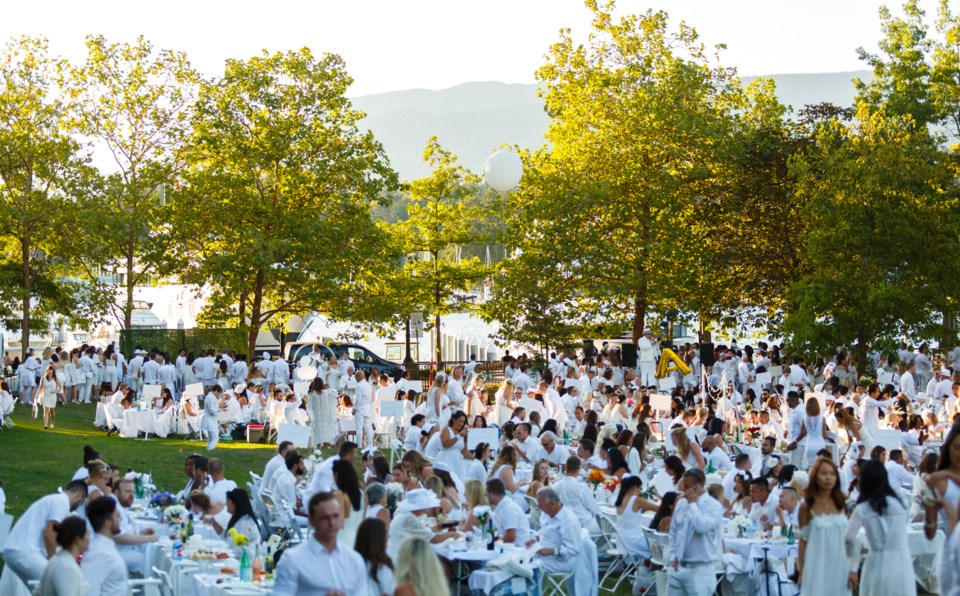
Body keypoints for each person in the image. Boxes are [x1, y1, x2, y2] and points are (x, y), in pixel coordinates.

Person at [273, 492, 367, 595]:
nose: (332, 523)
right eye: (325, 518)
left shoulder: (354, 560)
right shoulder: (292, 559)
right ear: (312, 521)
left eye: (335, 516)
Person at [843, 460, 915, 596]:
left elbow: (849, 538)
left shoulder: (863, 508)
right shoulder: (901, 503)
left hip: (877, 560)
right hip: (902, 560)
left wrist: (853, 566)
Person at [2, 480, 86, 586]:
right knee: (59, 582)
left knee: (40, 591)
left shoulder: (53, 499)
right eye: (81, 503)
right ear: (79, 496)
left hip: (13, 550)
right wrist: (55, 563)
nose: (79, 506)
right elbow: (49, 534)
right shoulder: (62, 502)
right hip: (25, 551)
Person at [797, 458, 854, 595]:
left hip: (841, 563)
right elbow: (803, 542)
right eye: (823, 473)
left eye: (832, 474)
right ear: (815, 477)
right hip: (817, 563)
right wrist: (801, 572)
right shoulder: (806, 507)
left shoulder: (845, 503)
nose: (828, 477)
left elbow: (851, 538)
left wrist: (853, 569)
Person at [667, 469, 724, 596]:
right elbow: (674, 532)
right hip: (678, 567)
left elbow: (702, 527)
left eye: (687, 486)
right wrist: (674, 556)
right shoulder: (681, 503)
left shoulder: (713, 506)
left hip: (700, 569)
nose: (683, 489)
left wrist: (693, 505)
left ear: (697, 486)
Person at [386, 489, 458, 560]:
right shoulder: (410, 518)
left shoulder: (404, 515)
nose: (427, 509)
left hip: (395, 553)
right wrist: (451, 534)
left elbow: (440, 521)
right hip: (398, 556)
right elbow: (434, 538)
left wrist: (434, 528)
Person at [526, 487, 580, 574]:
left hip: (561, 561)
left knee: (526, 568)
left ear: (552, 503)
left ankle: (532, 586)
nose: (538, 507)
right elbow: (544, 531)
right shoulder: (546, 513)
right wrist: (534, 539)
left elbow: (573, 550)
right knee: (517, 559)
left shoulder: (569, 520)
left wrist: (551, 551)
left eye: (540, 504)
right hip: (541, 554)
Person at [81, 497, 127, 596]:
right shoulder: (99, 554)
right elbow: (90, 592)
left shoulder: (104, 547)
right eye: (117, 515)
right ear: (107, 524)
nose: (121, 519)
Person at [33, 515, 89, 596]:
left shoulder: (56, 559)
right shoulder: (68, 568)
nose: (89, 538)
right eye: (87, 534)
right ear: (77, 540)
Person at [354, 518, 395, 596]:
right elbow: (391, 590)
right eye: (385, 532)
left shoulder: (351, 562)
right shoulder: (382, 566)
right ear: (378, 538)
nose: (388, 536)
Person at [552, 457, 599, 525]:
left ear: (565, 467)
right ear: (578, 470)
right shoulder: (581, 487)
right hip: (583, 523)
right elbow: (594, 509)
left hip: (563, 523)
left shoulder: (555, 486)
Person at [485, 478, 531, 544]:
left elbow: (510, 537)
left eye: (487, 494)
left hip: (516, 549)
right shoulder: (504, 506)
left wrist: (493, 542)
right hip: (510, 546)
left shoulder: (508, 508)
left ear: (492, 494)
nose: (486, 497)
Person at [333, 459, 366, 548]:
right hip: (360, 540)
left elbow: (339, 523)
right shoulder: (363, 493)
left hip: (343, 539)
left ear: (337, 475)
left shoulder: (340, 495)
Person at [354, 370, 375, 449]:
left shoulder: (359, 385)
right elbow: (370, 399)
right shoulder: (368, 385)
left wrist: (354, 409)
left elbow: (357, 399)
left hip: (360, 409)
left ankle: (359, 446)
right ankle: (370, 446)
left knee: (359, 429)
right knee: (368, 428)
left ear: (358, 377)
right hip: (367, 408)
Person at [202, 385, 223, 450]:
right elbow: (212, 411)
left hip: (212, 420)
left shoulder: (212, 397)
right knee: (215, 438)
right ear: (216, 390)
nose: (218, 395)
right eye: (219, 393)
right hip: (209, 421)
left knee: (211, 439)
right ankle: (210, 449)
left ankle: (208, 450)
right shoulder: (210, 398)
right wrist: (220, 407)